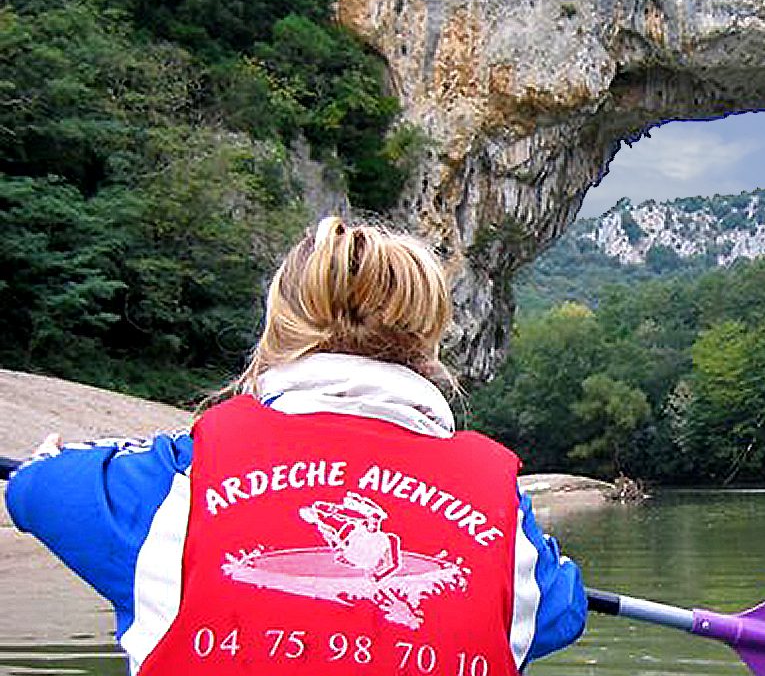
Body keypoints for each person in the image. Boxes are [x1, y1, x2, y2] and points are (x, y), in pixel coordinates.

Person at [6, 216, 586, 674]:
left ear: (279, 329)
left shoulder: (175, 480)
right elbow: (563, 611)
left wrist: (52, 461)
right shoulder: (501, 508)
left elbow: (35, 490)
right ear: (428, 344)